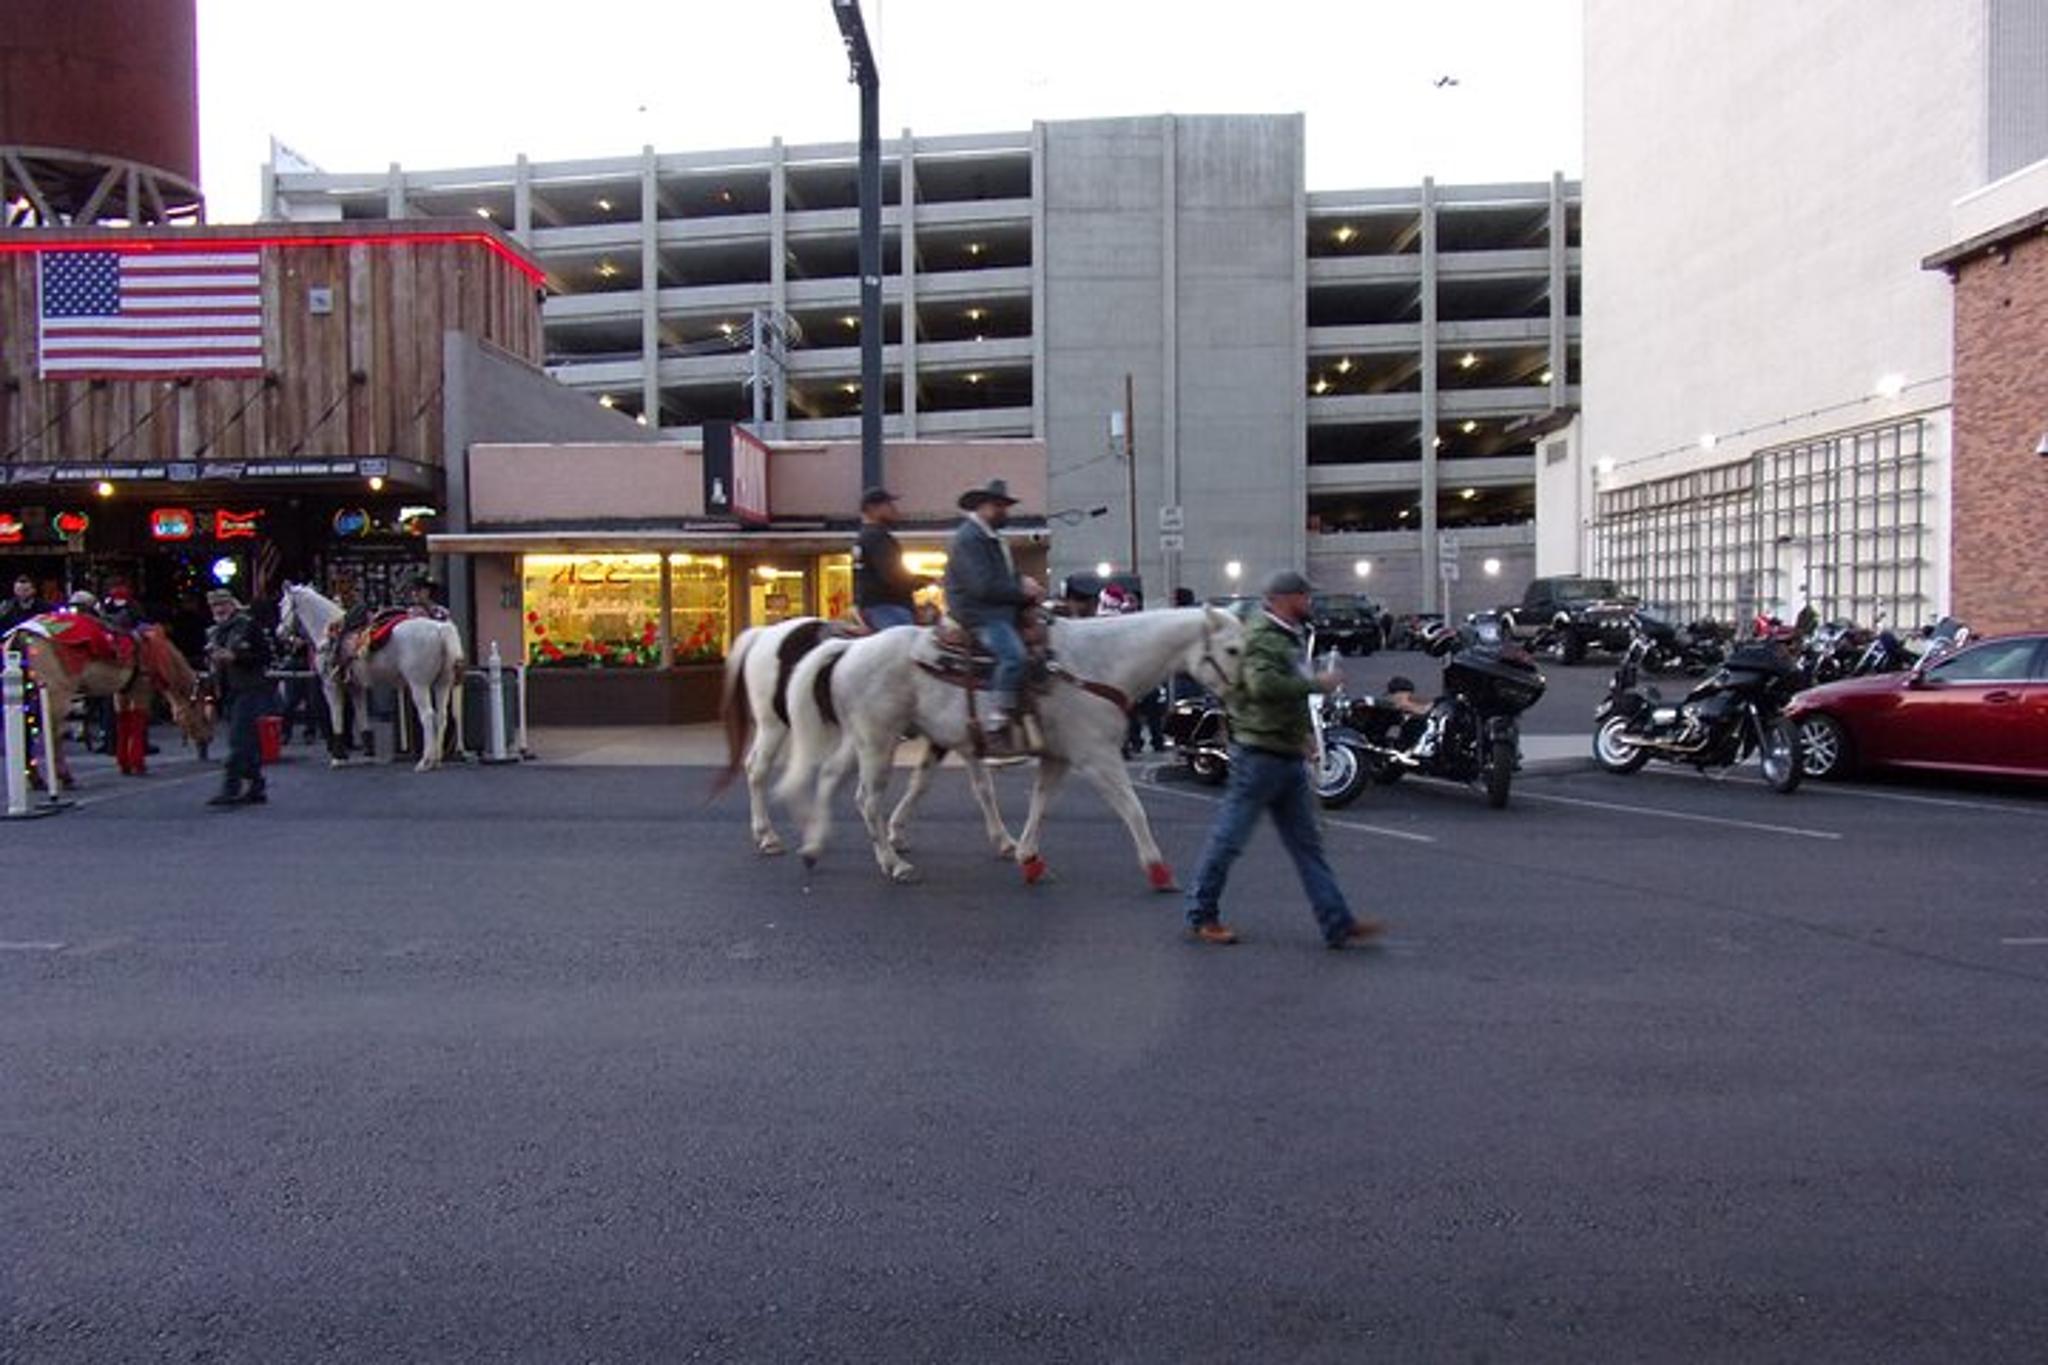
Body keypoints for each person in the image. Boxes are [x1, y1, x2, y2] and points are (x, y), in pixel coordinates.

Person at [1183, 569, 1385, 950]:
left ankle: (1337, 922)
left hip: (1283, 751)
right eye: (1305, 596)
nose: (1309, 603)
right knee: (1229, 839)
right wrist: (1317, 684)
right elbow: (1263, 687)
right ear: (1285, 598)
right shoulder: (1263, 637)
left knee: (1307, 846)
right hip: (1259, 756)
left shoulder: (1286, 637)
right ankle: (1201, 914)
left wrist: (1303, 736)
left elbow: (1280, 694)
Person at [942, 478, 1043, 753]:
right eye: (999, 506)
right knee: (1014, 656)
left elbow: (1002, 577)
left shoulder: (989, 537)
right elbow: (982, 586)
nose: (1004, 512)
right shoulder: (970, 538)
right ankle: (997, 723)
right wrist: (1022, 593)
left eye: (1005, 506)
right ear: (983, 506)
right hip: (979, 613)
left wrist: (1023, 582)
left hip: (997, 608)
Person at [204, 588, 272, 807]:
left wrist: (236, 657)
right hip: (229, 690)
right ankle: (256, 785)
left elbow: (265, 656)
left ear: (232, 605)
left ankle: (230, 788)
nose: (219, 609)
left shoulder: (247, 625)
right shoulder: (216, 631)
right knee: (246, 741)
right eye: (215, 606)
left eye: (222, 605)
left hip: (250, 688)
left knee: (238, 739)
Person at [852, 486, 923, 630]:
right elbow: (893, 576)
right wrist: (925, 581)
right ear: (872, 509)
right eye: (888, 505)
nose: (894, 509)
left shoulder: (863, 537)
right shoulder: (878, 537)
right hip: (887, 608)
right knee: (906, 647)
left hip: (871, 607)